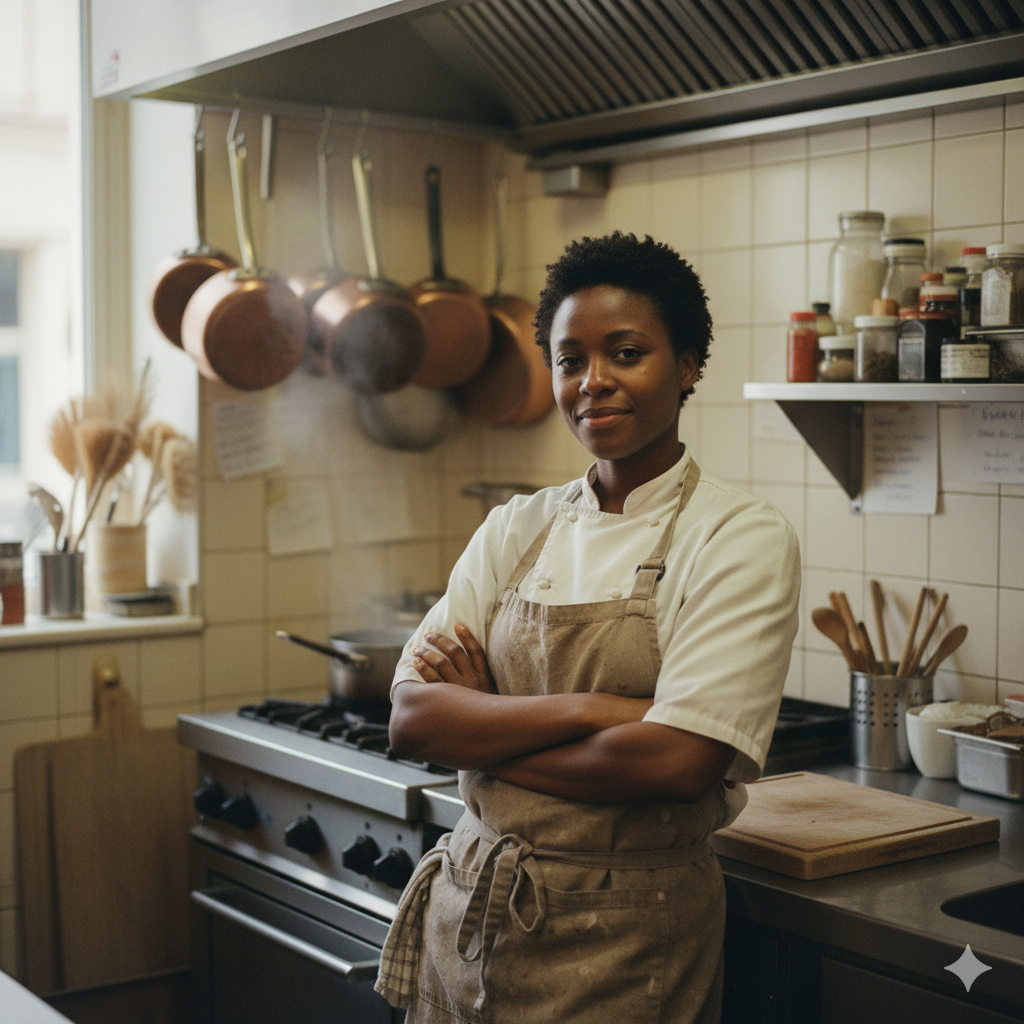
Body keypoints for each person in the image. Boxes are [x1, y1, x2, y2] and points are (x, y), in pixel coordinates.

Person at [375, 231, 800, 1024]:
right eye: (571, 360)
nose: (593, 383)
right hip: (470, 911)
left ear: (688, 365)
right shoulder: (516, 526)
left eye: (627, 353)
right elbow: (412, 719)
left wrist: (486, 736)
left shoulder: (738, 535)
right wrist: (599, 713)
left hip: (630, 938)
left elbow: (678, 762)